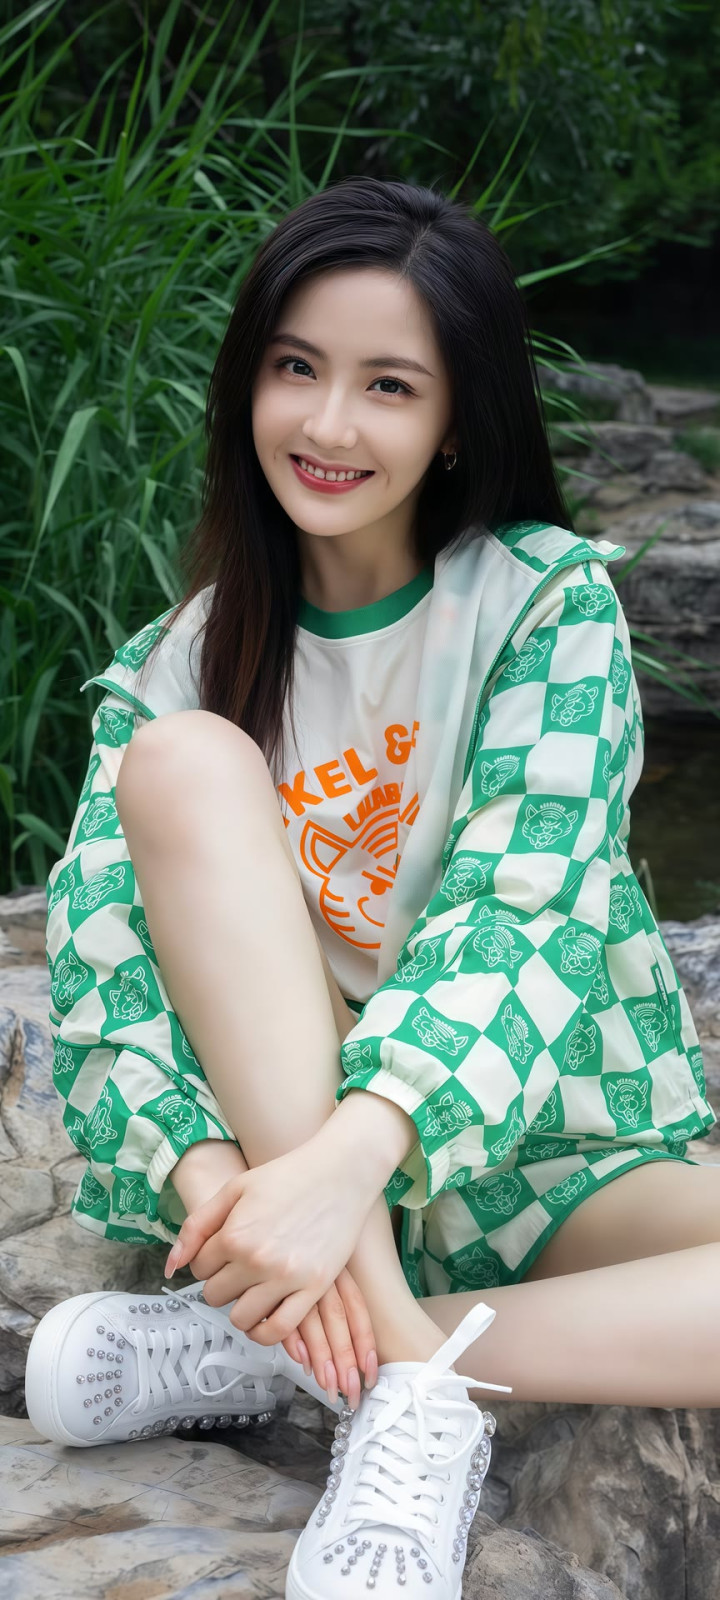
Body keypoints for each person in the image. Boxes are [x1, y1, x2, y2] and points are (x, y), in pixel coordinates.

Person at [25, 176, 716, 1599]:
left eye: (388, 385)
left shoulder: (540, 602)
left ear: (456, 418)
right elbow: (106, 971)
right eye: (297, 368)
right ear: (250, 382)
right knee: (181, 763)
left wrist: (352, 1167)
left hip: (534, 1139)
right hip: (289, 1160)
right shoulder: (182, 662)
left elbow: (524, 911)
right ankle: (394, 1375)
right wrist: (232, 1200)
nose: (329, 425)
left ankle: (318, 1354)